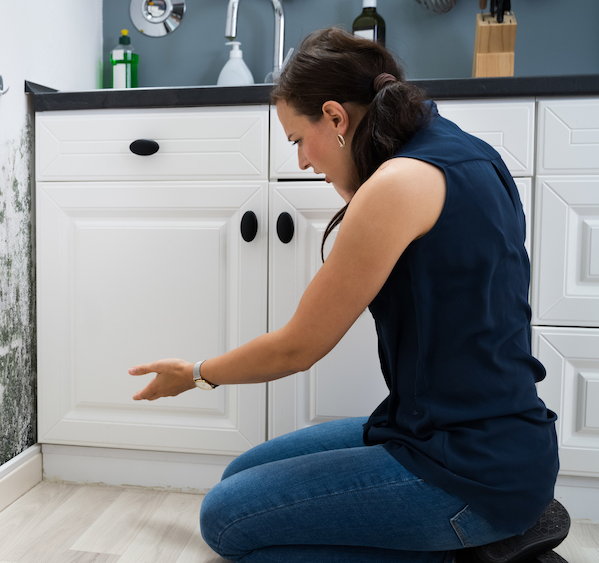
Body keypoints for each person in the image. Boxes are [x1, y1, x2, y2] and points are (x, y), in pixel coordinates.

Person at [128, 27, 567, 563]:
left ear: (336, 117)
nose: (302, 162)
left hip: (467, 471)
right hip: (468, 439)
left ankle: (473, 552)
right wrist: (353, 181)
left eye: (296, 140)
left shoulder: (397, 185)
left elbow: (298, 347)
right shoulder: (459, 150)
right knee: (240, 477)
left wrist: (195, 373)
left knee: (227, 520)